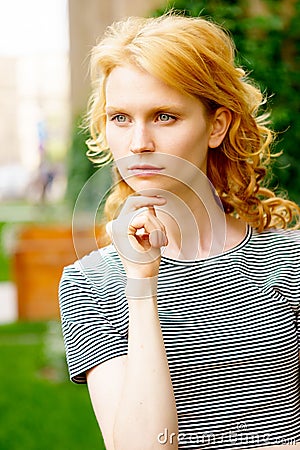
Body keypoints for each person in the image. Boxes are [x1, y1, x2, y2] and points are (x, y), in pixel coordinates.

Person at [59, 13, 300, 450]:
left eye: (164, 116)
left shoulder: (291, 262)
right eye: (120, 118)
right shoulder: (89, 283)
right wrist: (142, 284)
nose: (138, 143)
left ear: (217, 126)